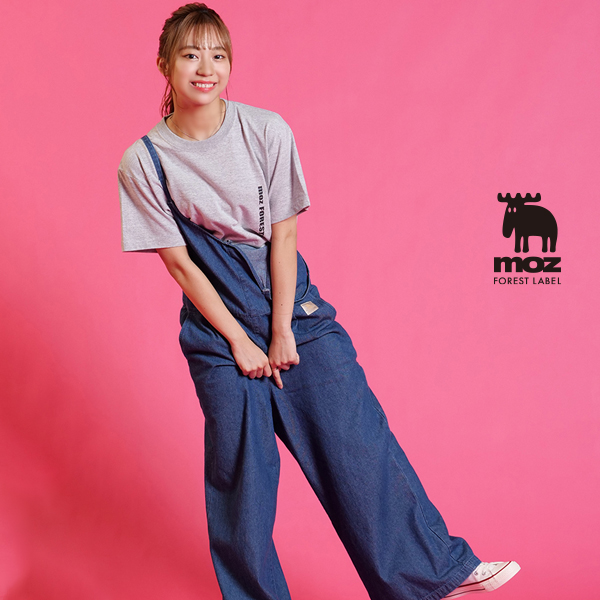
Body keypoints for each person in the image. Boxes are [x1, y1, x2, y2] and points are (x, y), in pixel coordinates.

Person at [117, 4, 520, 599]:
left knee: (358, 442)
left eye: (219, 55)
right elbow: (181, 264)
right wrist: (239, 341)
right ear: (164, 63)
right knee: (242, 483)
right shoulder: (144, 162)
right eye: (191, 54)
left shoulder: (266, 131)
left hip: (293, 310)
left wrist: (281, 328)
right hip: (218, 331)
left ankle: (434, 576)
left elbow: (284, 236)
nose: (206, 68)